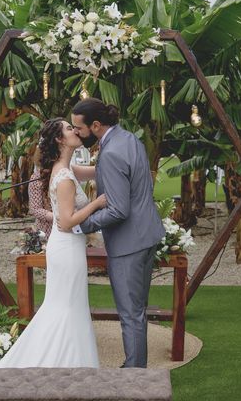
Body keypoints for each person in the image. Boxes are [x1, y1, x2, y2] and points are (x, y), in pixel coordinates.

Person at [0, 117, 106, 368]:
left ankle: (66, 361)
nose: (75, 130)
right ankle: (59, 364)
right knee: (65, 307)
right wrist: (96, 204)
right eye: (69, 128)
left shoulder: (63, 168)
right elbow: (66, 222)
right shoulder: (64, 177)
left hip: (66, 246)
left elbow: (98, 171)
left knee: (65, 305)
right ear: (59, 140)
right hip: (67, 246)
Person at [70, 98, 165, 368]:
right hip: (147, 236)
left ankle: (133, 373)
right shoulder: (127, 139)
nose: (77, 133)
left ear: (96, 125)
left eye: (79, 128)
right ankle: (137, 368)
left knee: (130, 314)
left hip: (128, 245)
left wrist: (79, 225)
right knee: (137, 311)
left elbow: (118, 210)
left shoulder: (110, 153)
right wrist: (79, 172)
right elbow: (123, 178)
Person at [28, 146, 53, 240]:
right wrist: (59, 218)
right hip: (48, 228)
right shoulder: (36, 178)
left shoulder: (64, 172)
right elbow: (36, 209)